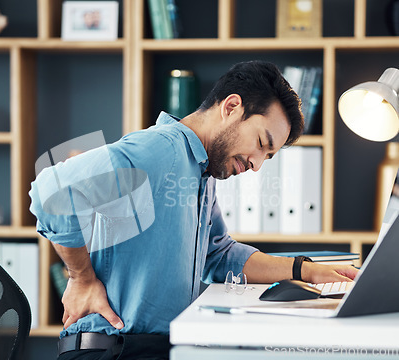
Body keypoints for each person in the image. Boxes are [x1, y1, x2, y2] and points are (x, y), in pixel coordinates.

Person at [29, 60, 358, 360]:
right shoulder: (161, 150)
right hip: (115, 350)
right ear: (231, 107)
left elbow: (220, 256)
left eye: (268, 157)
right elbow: (51, 191)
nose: (257, 165)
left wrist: (306, 271)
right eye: (261, 143)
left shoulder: (199, 170)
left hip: (152, 348)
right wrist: (81, 277)